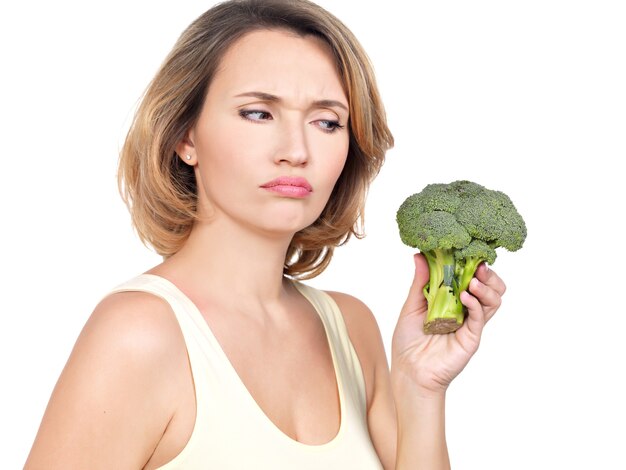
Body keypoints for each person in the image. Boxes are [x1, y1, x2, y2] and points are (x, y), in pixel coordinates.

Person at [25, 0, 506, 468]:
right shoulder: (138, 334)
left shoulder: (351, 328)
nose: (296, 151)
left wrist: (422, 387)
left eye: (326, 122)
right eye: (258, 112)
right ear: (185, 137)